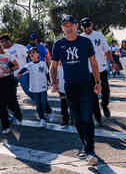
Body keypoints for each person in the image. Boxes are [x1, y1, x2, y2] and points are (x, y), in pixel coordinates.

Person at [50, 15, 101, 166]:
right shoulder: (58, 45)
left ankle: (90, 150)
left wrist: (98, 82)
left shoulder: (85, 42)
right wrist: (53, 82)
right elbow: (53, 66)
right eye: (65, 25)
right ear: (62, 28)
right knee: (77, 119)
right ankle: (85, 145)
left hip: (86, 84)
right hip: (69, 86)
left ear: (76, 26)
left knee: (87, 117)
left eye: (71, 24)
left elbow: (93, 63)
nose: (69, 27)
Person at [80, 17, 115, 126]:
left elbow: (107, 51)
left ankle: (104, 105)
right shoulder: (80, 38)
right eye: (84, 27)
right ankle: (98, 117)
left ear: (92, 25)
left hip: (101, 69)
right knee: (93, 95)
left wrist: (112, 62)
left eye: (88, 26)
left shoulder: (99, 36)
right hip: (89, 72)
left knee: (106, 92)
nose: (86, 28)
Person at [0, 40, 23, 134]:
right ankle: (5, 127)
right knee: (0, 105)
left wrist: (8, 70)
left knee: (12, 102)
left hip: (8, 80)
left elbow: (17, 66)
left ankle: (18, 115)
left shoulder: (7, 55)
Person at [17, 47, 50, 127]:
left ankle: (48, 112)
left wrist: (51, 82)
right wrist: (19, 73)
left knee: (43, 102)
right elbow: (23, 70)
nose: (32, 54)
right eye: (30, 53)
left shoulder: (43, 63)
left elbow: (47, 74)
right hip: (34, 88)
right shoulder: (29, 65)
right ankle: (42, 119)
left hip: (43, 87)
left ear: (38, 54)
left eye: (34, 52)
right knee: (38, 104)